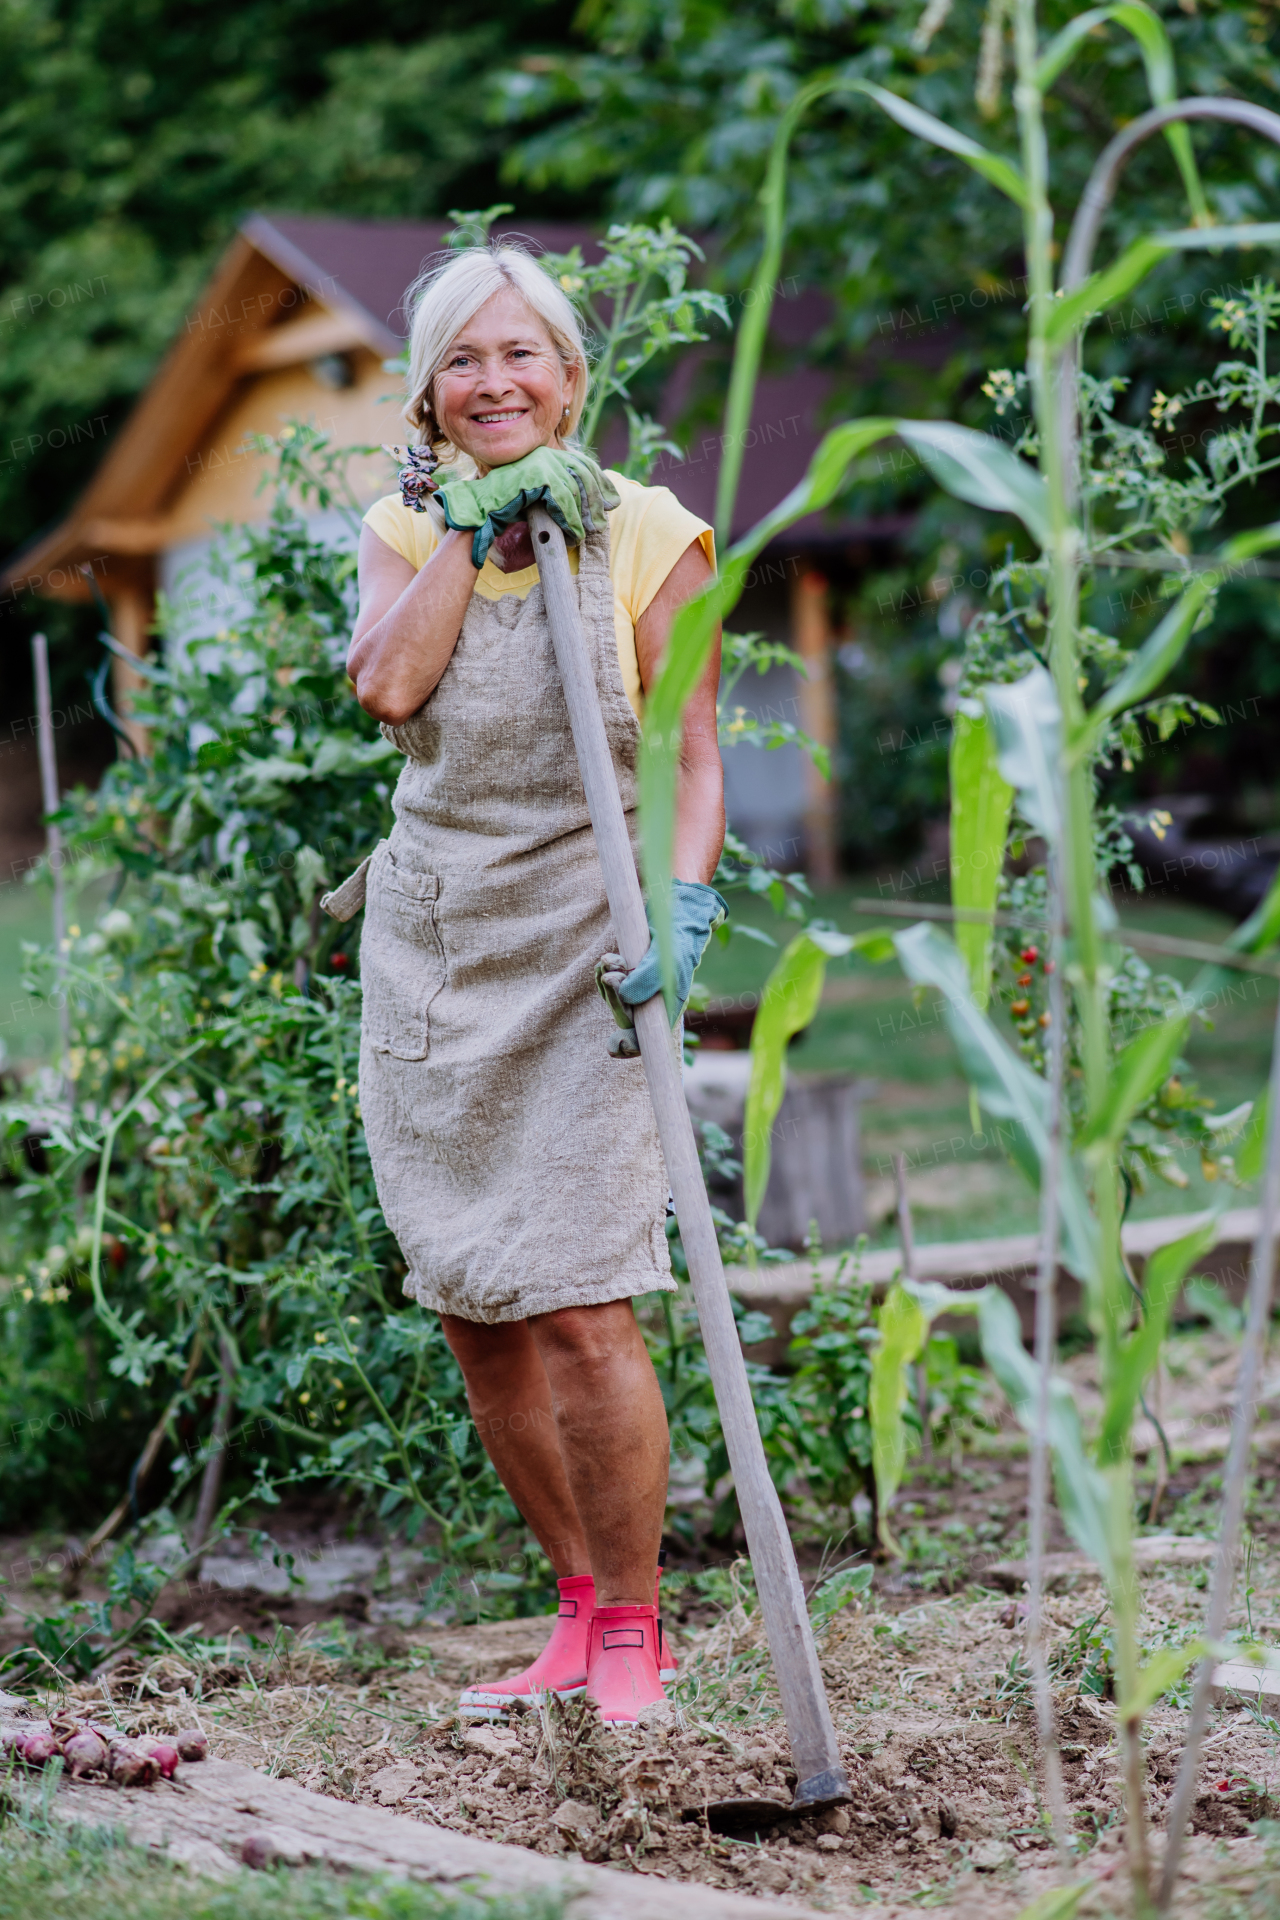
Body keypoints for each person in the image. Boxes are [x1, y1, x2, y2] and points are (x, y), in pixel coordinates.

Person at [345, 243, 726, 1723]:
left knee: (578, 1299)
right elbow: (389, 688)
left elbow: (691, 760)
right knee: (475, 1301)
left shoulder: (649, 530)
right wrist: (467, 527)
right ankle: (570, 1603)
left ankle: (634, 1626)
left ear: (573, 378)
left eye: (522, 358)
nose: (494, 383)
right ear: (430, 392)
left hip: (587, 933)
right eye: (463, 361)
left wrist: (686, 908)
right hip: (439, 943)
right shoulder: (400, 523)